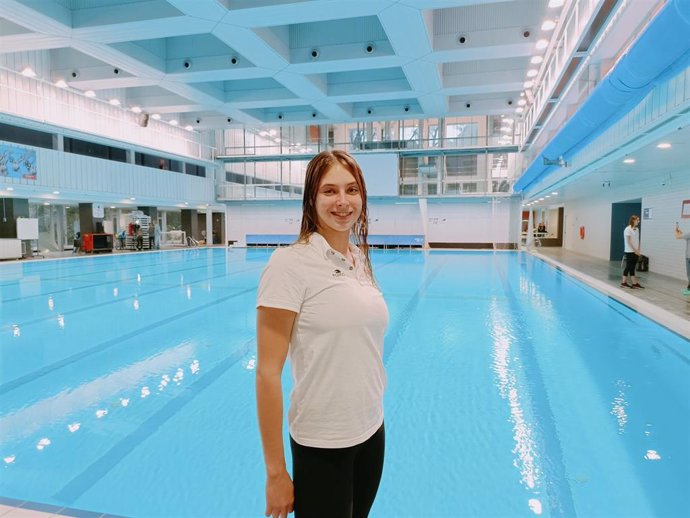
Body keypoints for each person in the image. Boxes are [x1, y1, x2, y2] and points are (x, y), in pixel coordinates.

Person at [256, 150, 388, 518]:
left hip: (371, 430)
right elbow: (267, 374)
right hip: (321, 442)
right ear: (311, 199)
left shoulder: (359, 260)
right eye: (329, 191)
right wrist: (276, 473)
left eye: (351, 190)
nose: (342, 202)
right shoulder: (289, 264)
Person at [621, 215, 643, 288]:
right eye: (637, 220)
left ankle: (634, 283)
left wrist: (638, 249)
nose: (638, 221)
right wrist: (635, 250)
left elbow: (638, 240)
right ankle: (624, 283)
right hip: (629, 251)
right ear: (633, 220)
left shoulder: (637, 229)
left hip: (636, 251)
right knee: (629, 266)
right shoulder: (627, 229)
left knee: (632, 267)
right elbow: (628, 241)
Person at [675, 223, 690, 295]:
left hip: (688, 257)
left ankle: (689, 289)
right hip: (688, 257)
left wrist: (676, 231)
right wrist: (680, 232)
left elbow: (677, 237)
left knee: (689, 274)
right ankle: (689, 288)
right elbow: (685, 237)